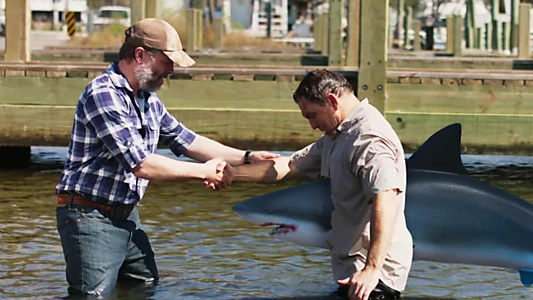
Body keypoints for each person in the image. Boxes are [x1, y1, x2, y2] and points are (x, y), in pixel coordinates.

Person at [55, 18, 278, 296]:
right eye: (167, 61)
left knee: (143, 285)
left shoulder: (147, 99)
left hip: (125, 214)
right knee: (92, 295)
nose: (171, 70)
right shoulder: (104, 94)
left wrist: (246, 157)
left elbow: (188, 140)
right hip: (89, 216)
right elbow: (142, 164)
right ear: (140, 55)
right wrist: (203, 172)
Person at [229, 69, 413, 300]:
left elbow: (386, 198)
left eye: (312, 115)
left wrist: (372, 269)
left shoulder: (369, 139)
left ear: (332, 101)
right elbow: (287, 166)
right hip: (354, 272)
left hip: (373, 280)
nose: (312, 125)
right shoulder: (338, 134)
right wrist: (230, 174)